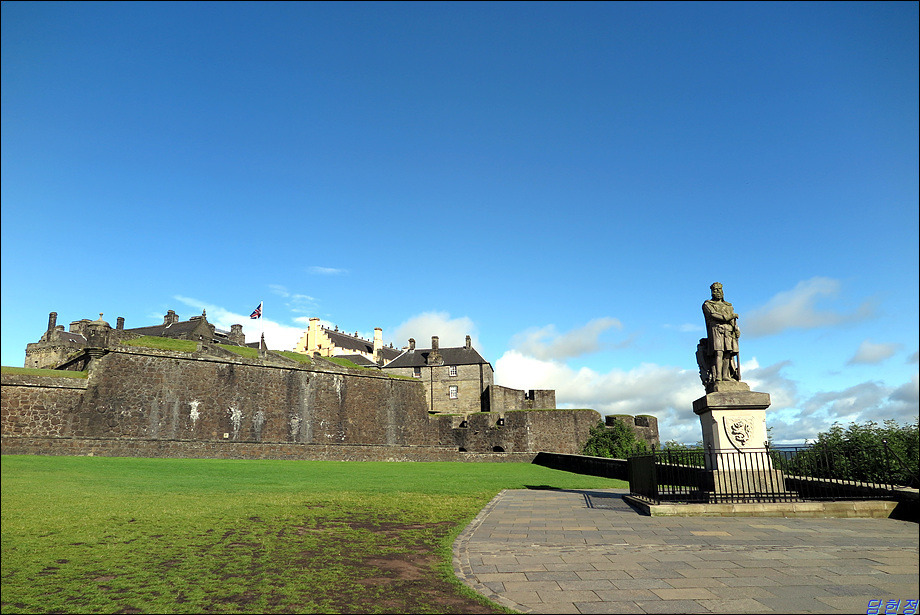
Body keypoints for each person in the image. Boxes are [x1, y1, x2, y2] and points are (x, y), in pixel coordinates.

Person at [702, 282, 740, 383]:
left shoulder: (728, 305)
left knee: (728, 353)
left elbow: (732, 321)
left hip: (728, 331)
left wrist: (736, 329)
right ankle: (718, 376)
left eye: (719, 289)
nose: (718, 292)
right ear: (712, 292)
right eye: (715, 290)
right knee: (719, 352)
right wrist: (730, 316)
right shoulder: (708, 304)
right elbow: (714, 315)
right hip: (716, 330)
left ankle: (725, 375)